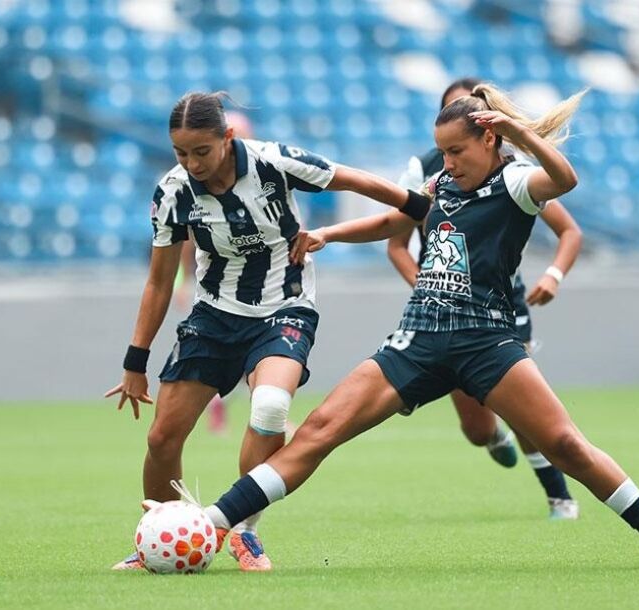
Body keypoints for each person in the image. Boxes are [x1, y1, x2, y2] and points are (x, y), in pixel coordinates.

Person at [183, 84, 639, 570]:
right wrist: (331, 233)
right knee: (320, 429)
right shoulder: (442, 183)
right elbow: (395, 221)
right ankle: (211, 523)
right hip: (418, 338)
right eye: (443, 152)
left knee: (566, 445)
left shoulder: (516, 183)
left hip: (487, 341)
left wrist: (519, 133)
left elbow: (565, 179)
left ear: (489, 139)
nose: (448, 162)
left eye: (457, 151)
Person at [107, 92, 431, 572]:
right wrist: (135, 362)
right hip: (214, 315)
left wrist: (417, 205)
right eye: (181, 153)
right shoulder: (173, 192)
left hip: (285, 308)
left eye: (201, 151)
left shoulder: (273, 162)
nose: (192, 163)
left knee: (271, 406)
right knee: (162, 438)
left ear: (227, 138)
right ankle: (161, 540)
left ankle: (244, 530)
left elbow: (351, 178)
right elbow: (159, 281)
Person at [391, 78, 584, 519]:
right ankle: (493, 437)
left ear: (486, 129)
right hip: (443, 315)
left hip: (501, 304)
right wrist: (430, 291)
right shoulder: (426, 171)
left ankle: (558, 495)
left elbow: (568, 226)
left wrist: (553, 275)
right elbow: (396, 244)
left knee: (525, 408)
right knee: (478, 429)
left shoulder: (512, 172)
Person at [173, 111, 258, 436]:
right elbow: (186, 239)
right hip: (222, 291)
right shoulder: (195, 188)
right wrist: (184, 281)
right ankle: (234, 407)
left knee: (261, 353)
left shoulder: (266, 174)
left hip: (265, 286)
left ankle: (257, 412)